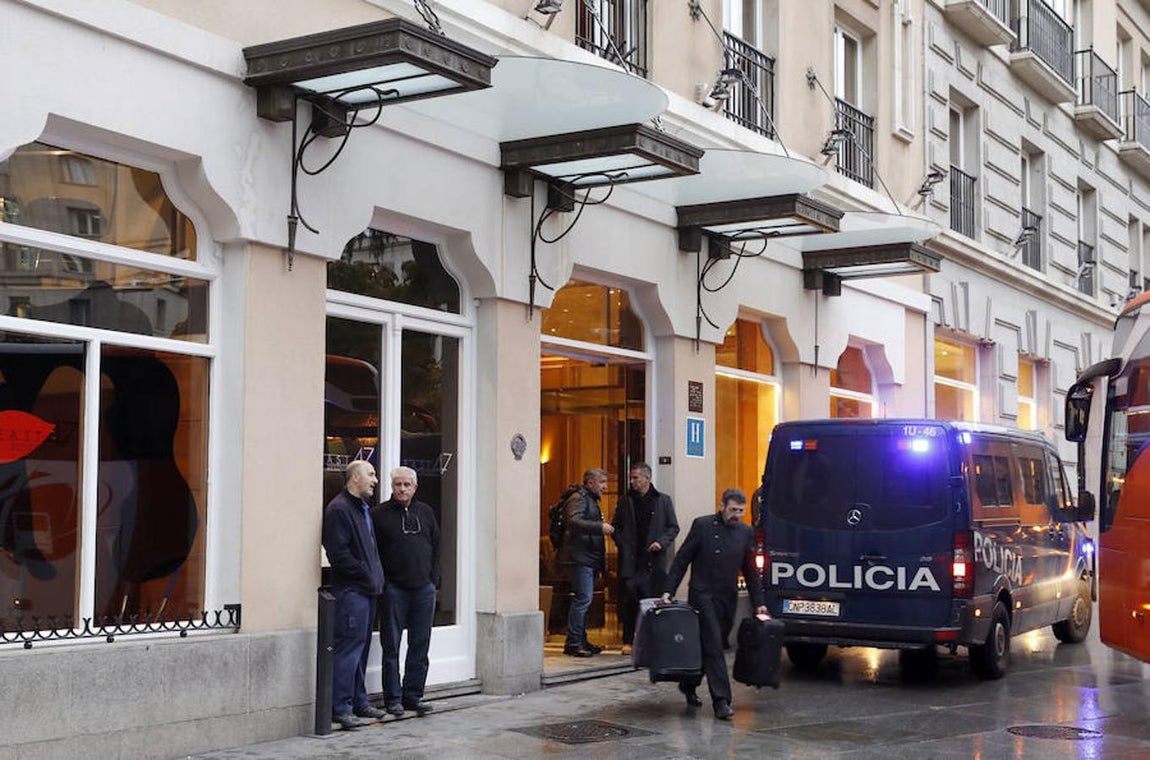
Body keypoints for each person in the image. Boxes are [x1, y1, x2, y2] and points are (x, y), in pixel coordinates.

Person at [661, 488, 767, 720]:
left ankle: (688, 683)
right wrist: (669, 590)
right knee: (714, 647)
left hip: (727, 598)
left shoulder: (746, 532)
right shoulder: (702, 526)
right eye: (732, 510)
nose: (736, 515)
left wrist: (759, 603)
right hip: (702, 595)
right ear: (721, 506)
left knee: (710, 644)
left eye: (740, 511)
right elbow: (682, 559)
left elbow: (751, 571)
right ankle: (722, 701)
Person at [321, 460, 387, 729]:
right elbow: (338, 554)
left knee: (360, 651)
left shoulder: (362, 509)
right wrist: (365, 574)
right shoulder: (339, 509)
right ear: (355, 478)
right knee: (348, 650)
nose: (375, 480)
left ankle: (359, 703)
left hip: (367, 591)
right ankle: (341, 708)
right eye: (370, 475)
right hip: (351, 592)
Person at [372, 465, 441, 717]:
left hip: (423, 589)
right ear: (392, 486)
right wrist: (384, 584)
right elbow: (373, 553)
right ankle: (393, 699)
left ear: (415, 487)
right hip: (394, 590)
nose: (402, 489)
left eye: (406, 485)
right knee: (391, 647)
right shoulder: (379, 514)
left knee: (420, 645)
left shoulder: (425, 512)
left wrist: (433, 580)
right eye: (397, 484)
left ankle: (413, 696)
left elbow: (436, 545)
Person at [612, 462, 679, 654]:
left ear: (647, 478)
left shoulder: (663, 500)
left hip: (654, 561)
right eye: (631, 478)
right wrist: (622, 543)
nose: (632, 481)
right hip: (631, 561)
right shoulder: (626, 501)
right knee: (630, 602)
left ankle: (651, 642)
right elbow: (616, 526)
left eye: (636, 477)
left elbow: (673, 527)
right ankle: (628, 641)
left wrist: (661, 542)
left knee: (653, 602)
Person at [559, 467, 614, 657]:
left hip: (586, 557)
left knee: (584, 599)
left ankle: (580, 640)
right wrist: (600, 527)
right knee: (583, 599)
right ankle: (573, 643)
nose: (605, 487)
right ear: (590, 483)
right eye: (602, 482)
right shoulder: (579, 499)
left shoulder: (588, 499)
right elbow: (573, 521)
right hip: (579, 558)